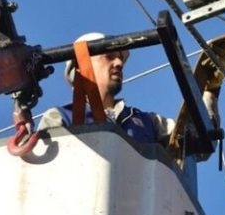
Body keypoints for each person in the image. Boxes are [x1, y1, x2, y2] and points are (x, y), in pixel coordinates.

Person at [38, 32, 174, 145]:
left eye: (120, 58)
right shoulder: (60, 117)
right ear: (82, 67)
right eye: (109, 57)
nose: (119, 63)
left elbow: (183, 136)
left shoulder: (150, 122)